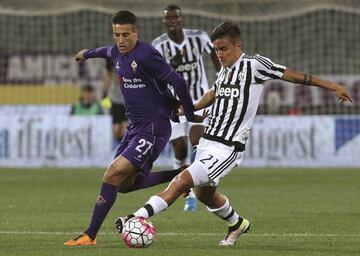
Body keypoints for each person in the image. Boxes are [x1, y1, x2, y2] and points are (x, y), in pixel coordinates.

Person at [115, 21, 353, 246]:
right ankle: (237, 224)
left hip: (227, 147)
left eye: (224, 49)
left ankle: (134, 218)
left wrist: (333, 87)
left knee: (182, 181)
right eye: (216, 50)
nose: (219, 54)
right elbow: (212, 94)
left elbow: (295, 76)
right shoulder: (225, 71)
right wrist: (185, 107)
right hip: (208, 141)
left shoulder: (255, 65)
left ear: (238, 46)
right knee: (204, 195)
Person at [64, 10, 205, 246]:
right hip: (136, 127)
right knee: (124, 185)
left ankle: (89, 236)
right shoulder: (116, 52)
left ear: (135, 33)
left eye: (125, 34)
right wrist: (86, 54)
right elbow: (104, 51)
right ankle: (184, 176)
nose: (121, 40)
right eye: (117, 34)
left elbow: (178, 82)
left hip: (154, 127)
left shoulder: (147, 54)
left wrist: (190, 114)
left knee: (112, 174)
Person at [152, 5, 221, 211]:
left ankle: (198, 187)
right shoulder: (159, 45)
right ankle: (186, 192)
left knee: (197, 141)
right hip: (175, 103)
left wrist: (221, 78)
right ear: (164, 22)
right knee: (179, 148)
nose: (172, 21)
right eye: (168, 18)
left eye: (175, 17)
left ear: (182, 19)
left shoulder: (199, 37)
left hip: (200, 98)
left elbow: (216, 54)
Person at [102, 59, 128, 148]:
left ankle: (125, 150)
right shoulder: (111, 64)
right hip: (115, 100)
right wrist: (104, 95)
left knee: (125, 129)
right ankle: (121, 146)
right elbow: (107, 79)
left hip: (127, 100)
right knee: (116, 130)